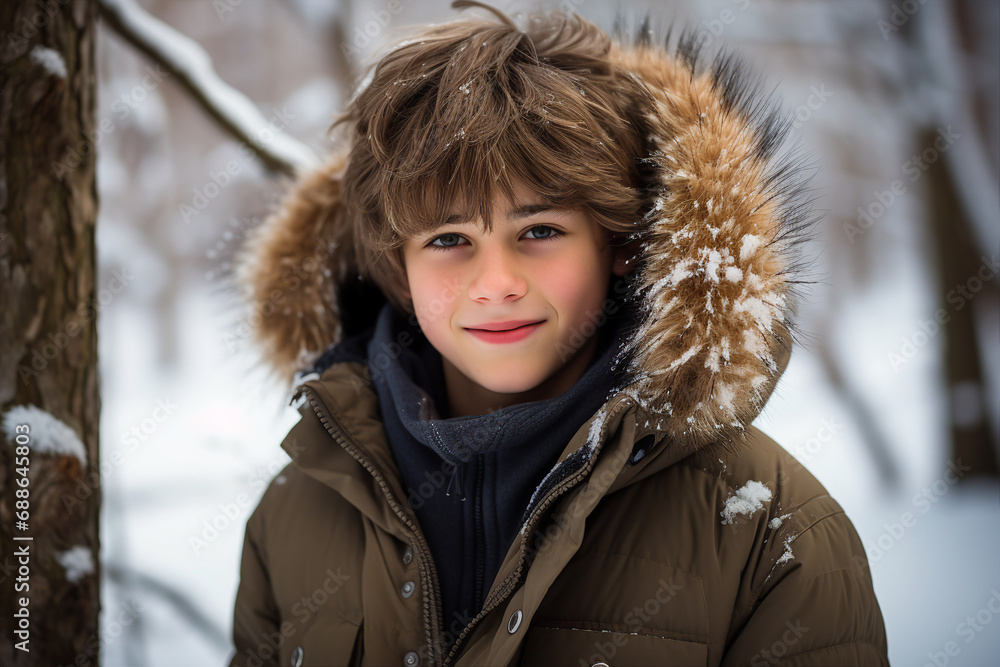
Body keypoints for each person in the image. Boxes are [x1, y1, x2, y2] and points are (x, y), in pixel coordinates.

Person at [228, 2, 889, 665]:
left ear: (620, 244)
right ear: (397, 265)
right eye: (450, 239)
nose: (496, 283)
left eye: (539, 231)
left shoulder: (767, 528)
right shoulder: (293, 516)